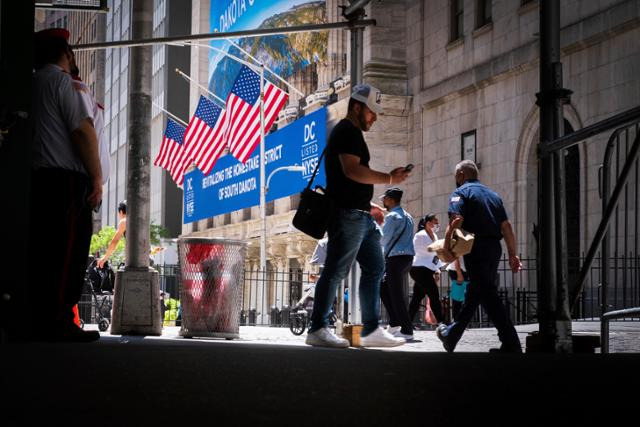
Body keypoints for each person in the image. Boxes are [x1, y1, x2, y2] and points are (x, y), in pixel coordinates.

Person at [305, 84, 410, 348]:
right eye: (371, 111)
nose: (374, 117)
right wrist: (389, 178)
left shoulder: (349, 133)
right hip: (348, 216)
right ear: (357, 107)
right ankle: (317, 328)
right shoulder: (348, 131)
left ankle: (371, 330)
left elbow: (347, 180)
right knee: (336, 271)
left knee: (375, 268)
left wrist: (370, 205)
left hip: (360, 215)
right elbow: (352, 171)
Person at [27, 28, 102, 342]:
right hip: (66, 183)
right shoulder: (65, 83)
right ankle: (57, 321)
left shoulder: (32, 84)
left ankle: (41, 318)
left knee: (43, 251)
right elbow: (83, 131)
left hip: (38, 180)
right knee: (66, 251)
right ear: (67, 54)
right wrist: (97, 179)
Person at [436, 160, 523, 353]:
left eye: (455, 177)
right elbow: (506, 227)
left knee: (488, 294)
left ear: (460, 175)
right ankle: (451, 336)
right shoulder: (493, 195)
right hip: (494, 248)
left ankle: (511, 342)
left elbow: (456, 219)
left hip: (476, 248)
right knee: (476, 292)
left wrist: (448, 244)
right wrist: (513, 255)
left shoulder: (460, 193)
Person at [379, 187, 415, 340]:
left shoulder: (392, 216)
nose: (383, 201)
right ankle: (394, 323)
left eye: (385, 199)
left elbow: (383, 239)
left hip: (395, 259)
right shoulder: (408, 216)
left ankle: (407, 330)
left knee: (396, 294)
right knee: (383, 287)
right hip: (406, 259)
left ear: (391, 200)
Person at [408, 213, 446, 326]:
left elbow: (436, 255)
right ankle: (441, 322)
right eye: (436, 222)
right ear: (428, 223)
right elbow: (418, 251)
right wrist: (435, 249)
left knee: (417, 297)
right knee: (434, 294)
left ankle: (406, 322)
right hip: (419, 269)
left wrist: (437, 270)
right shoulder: (420, 235)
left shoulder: (435, 235)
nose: (437, 224)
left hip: (428, 269)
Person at [97, 201, 127, 268]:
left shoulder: (124, 221)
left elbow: (114, 242)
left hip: (133, 261)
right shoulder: (139, 220)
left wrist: (105, 257)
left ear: (121, 212)